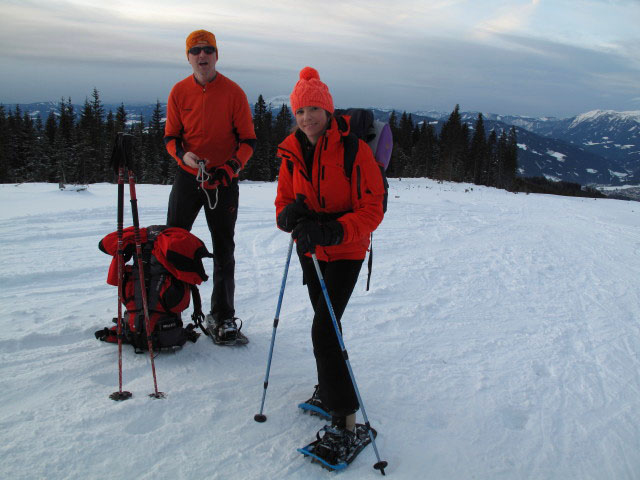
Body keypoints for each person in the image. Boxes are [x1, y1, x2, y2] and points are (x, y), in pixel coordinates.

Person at [274, 67, 385, 460]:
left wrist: (334, 232)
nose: (308, 118)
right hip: (311, 253)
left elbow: (373, 210)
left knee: (324, 331)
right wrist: (288, 216)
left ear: (328, 109)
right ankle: (329, 385)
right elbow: (282, 201)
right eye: (301, 111)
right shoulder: (291, 151)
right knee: (327, 325)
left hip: (345, 252)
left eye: (315, 109)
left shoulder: (354, 150)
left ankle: (348, 422)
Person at [164, 29, 256, 343]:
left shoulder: (233, 93)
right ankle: (167, 308)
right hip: (188, 177)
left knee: (224, 248)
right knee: (172, 242)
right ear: (188, 57)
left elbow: (248, 141)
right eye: (196, 51)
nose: (202, 56)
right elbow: (171, 138)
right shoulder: (179, 92)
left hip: (223, 181)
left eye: (208, 50)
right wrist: (182, 156)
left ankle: (223, 316)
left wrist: (231, 167)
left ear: (216, 55)